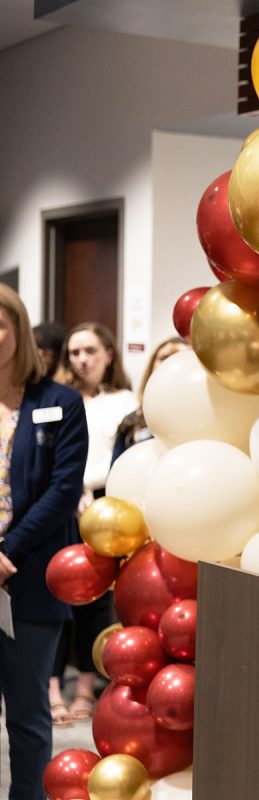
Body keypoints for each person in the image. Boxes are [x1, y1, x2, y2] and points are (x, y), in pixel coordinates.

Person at [0, 286, 88, 798]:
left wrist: (8, 553)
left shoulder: (60, 402)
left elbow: (62, 490)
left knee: (29, 715)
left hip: (31, 577)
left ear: (19, 329)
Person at [48, 322, 136, 725]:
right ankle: (52, 689)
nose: (81, 360)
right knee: (56, 590)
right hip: (62, 499)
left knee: (95, 598)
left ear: (108, 354)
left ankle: (84, 686)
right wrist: (70, 493)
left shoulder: (125, 400)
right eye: (74, 353)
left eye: (89, 351)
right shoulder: (56, 399)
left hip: (109, 503)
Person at [110, 336, 189, 463]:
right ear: (151, 367)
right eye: (164, 358)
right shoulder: (131, 423)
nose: (171, 364)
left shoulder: (208, 420)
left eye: (179, 357)